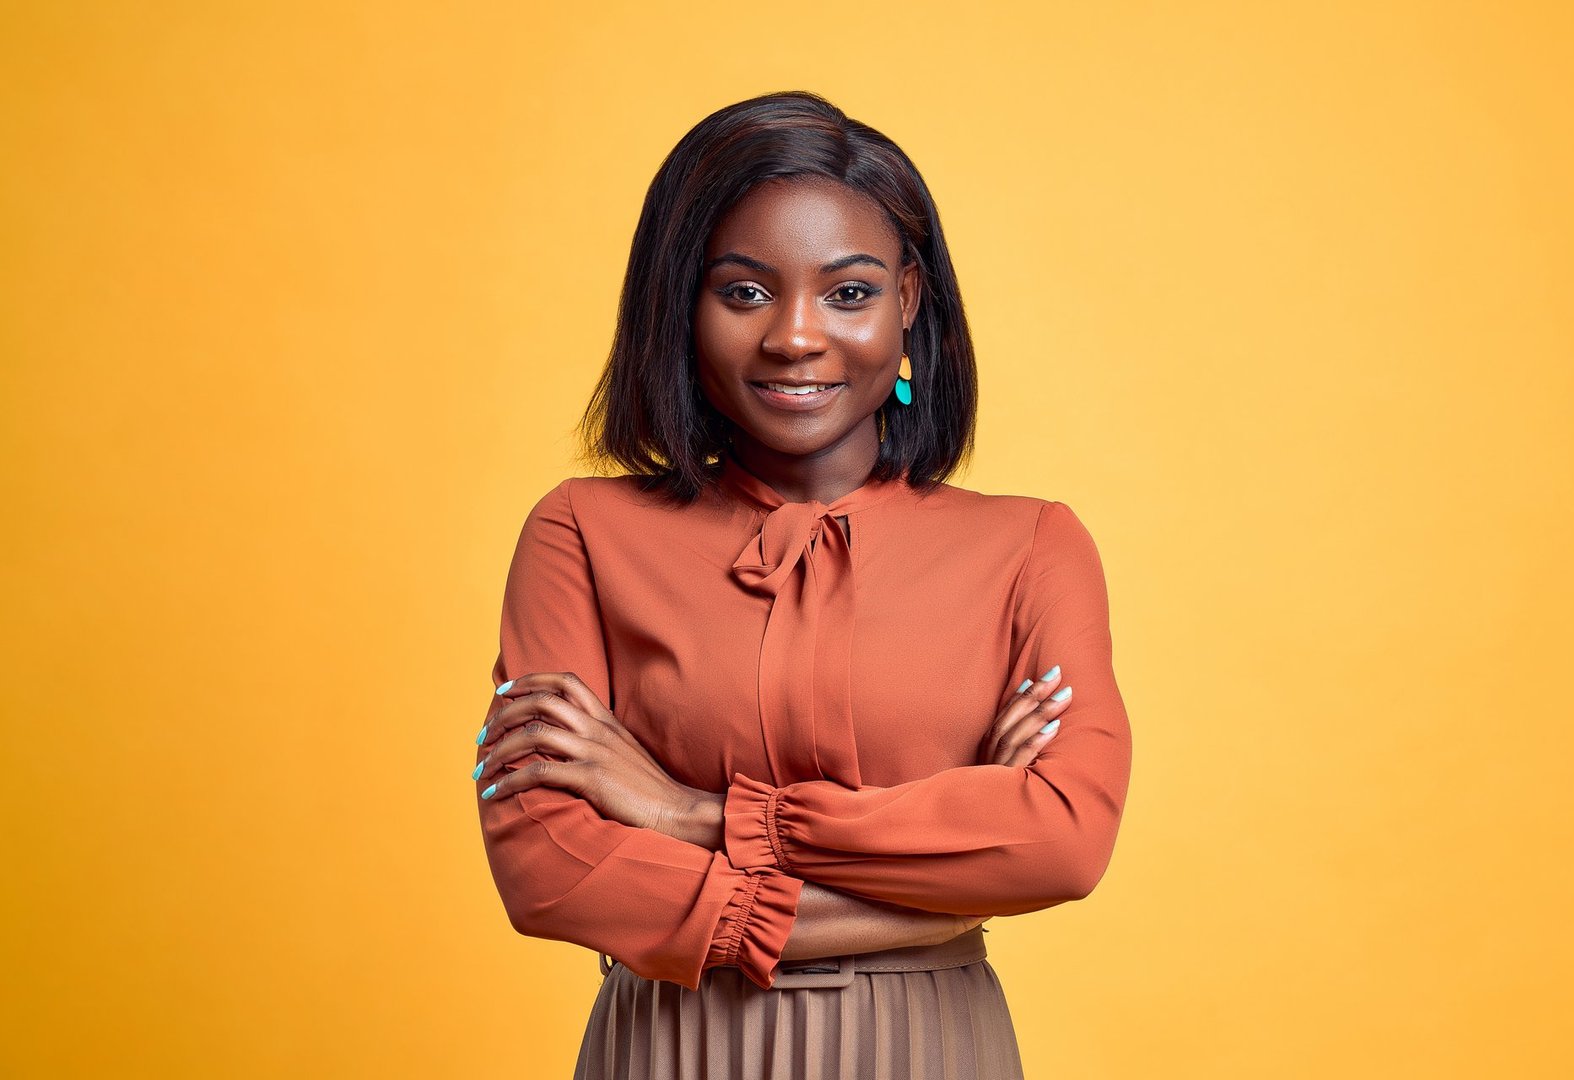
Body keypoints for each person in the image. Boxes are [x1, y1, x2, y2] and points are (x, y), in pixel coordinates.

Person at [470, 90, 1132, 1079]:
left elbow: (1065, 845)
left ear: (908, 303)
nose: (794, 336)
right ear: (680, 305)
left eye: (849, 293)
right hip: (670, 1050)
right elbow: (547, 869)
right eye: (743, 292)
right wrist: (940, 878)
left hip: (926, 1052)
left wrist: (683, 816)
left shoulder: (1031, 549)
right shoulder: (581, 536)